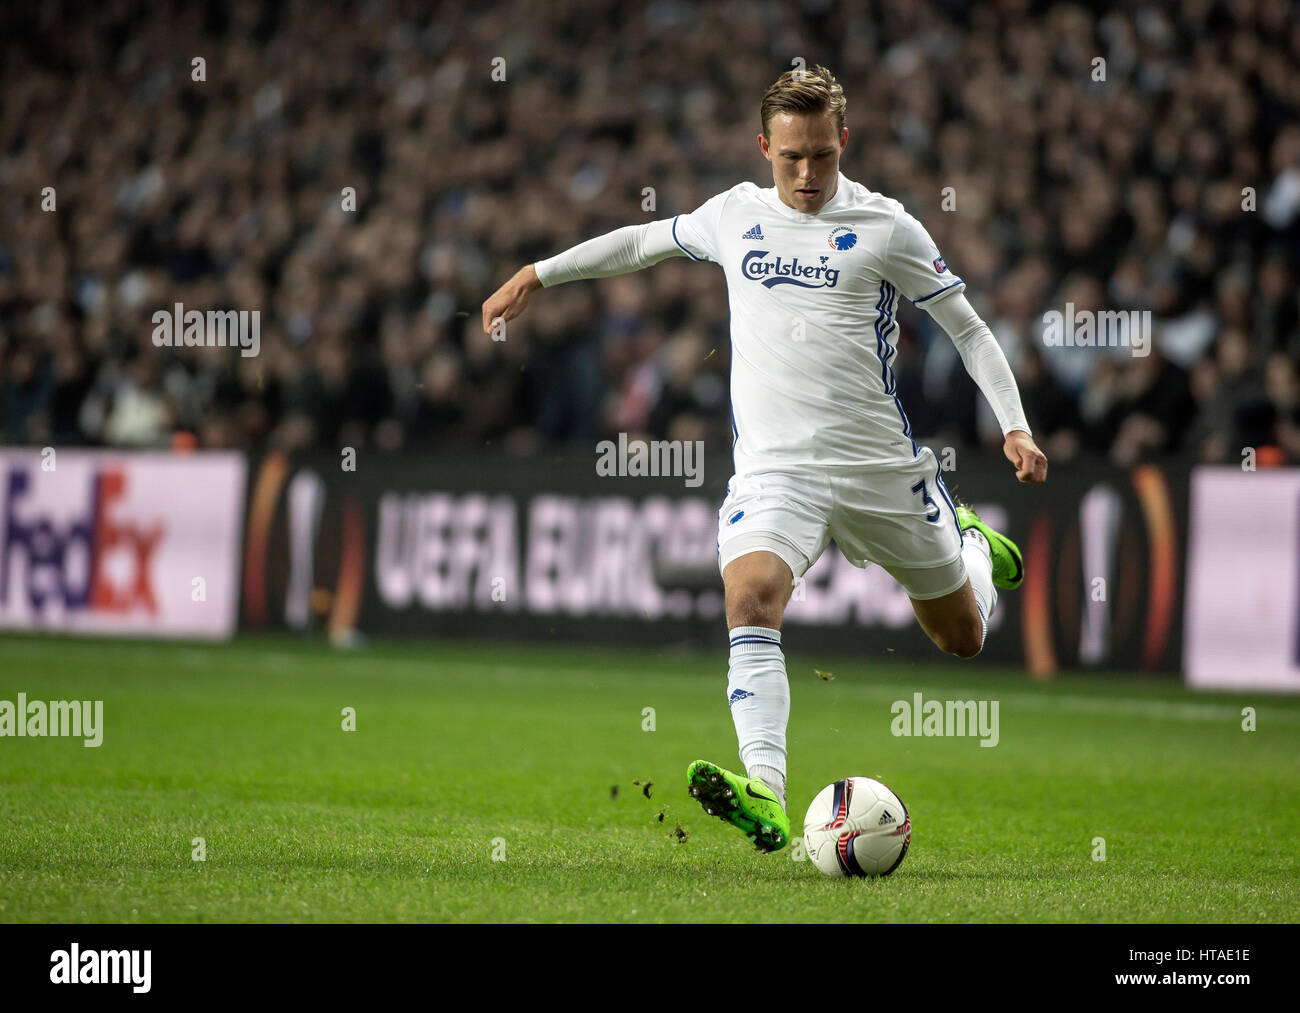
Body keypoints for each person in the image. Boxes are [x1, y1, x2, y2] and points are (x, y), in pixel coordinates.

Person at [481, 66, 1047, 856]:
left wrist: (1014, 427)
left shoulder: (888, 227)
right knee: (749, 595)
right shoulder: (733, 216)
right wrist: (538, 272)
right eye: (791, 158)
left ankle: (975, 546)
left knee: (962, 637)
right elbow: (642, 242)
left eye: (821, 154)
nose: (808, 174)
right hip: (778, 472)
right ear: (763, 148)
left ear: (843, 141)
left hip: (880, 469)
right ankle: (767, 792)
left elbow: (970, 328)